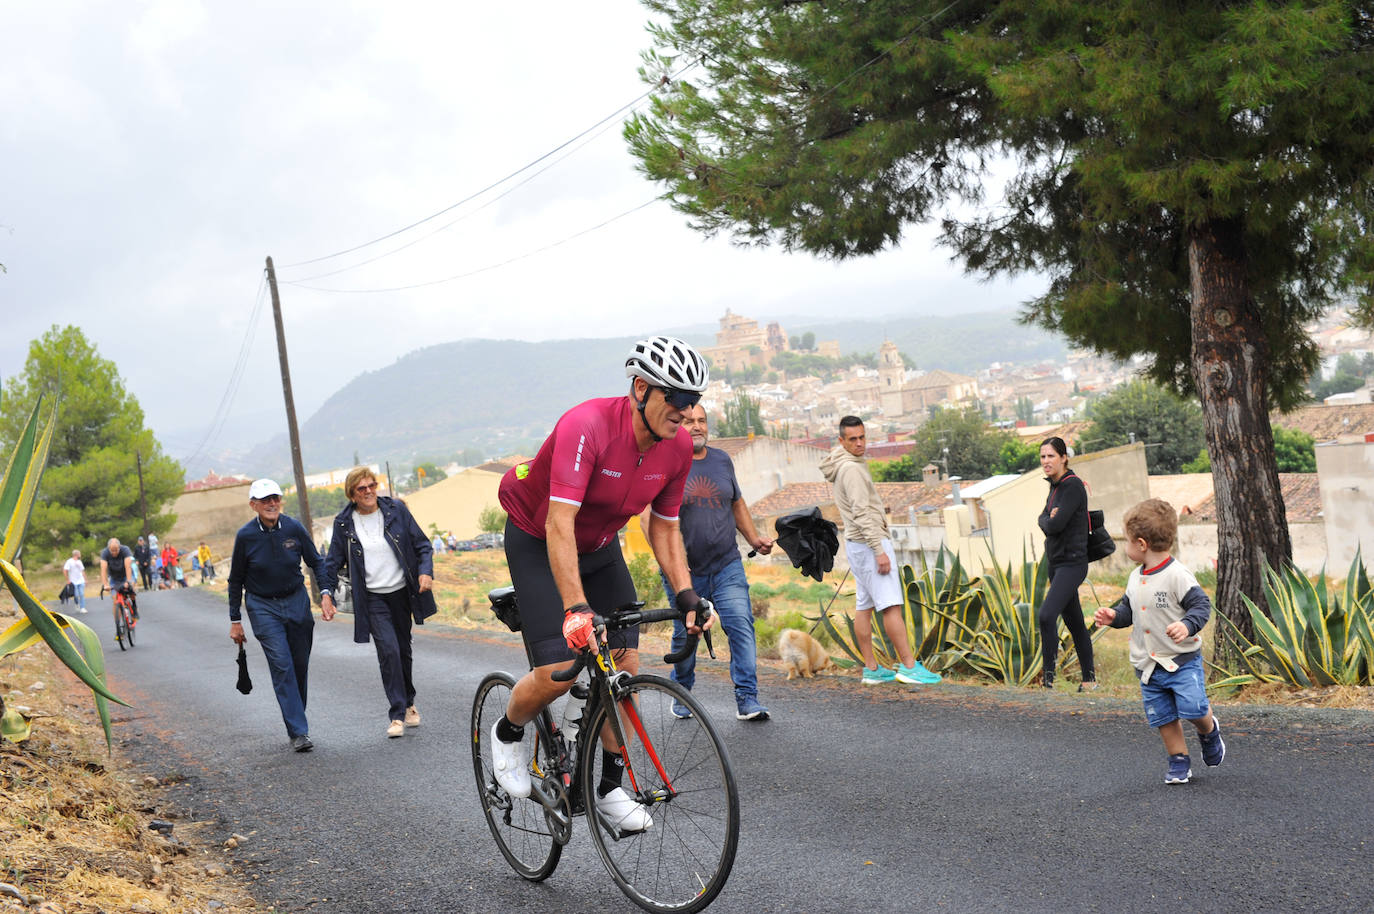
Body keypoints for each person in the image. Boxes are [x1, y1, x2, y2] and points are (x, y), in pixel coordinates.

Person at [489, 335, 716, 834]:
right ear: (641, 389)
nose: (686, 412)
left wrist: (686, 595)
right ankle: (507, 731)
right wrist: (575, 607)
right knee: (558, 672)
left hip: (600, 543)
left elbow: (664, 526)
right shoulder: (586, 427)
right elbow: (559, 525)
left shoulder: (676, 447)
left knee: (626, 669)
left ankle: (610, 787)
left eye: (693, 401)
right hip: (539, 535)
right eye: (676, 399)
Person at [1093, 498, 1226, 784]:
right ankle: (1179, 760)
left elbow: (1201, 606)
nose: (1125, 547)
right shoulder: (1133, 578)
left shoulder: (1177, 575)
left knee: (1194, 708)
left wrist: (1187, 625)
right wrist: (1113, 616)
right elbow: (1128, 611)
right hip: (1148, 665)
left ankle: (1208, 730)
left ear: (1141, 544)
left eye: (1127, 541)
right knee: (1163, 717)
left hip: (1181, 662)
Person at [655, 403, 773, 721]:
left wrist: (754, 539)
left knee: (740, 625)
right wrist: (676, 568)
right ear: (677, 425)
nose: (696, 426)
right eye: (689, 421)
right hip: (684, 572)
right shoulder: (665, 463)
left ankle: (747, 698)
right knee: (687, 633)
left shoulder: (722, 460)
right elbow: (657, 523)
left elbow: (737, 503)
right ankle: (682, 690)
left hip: (726, 564)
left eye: (702, 421)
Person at [820, 416, 941, 685]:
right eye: (853, 439)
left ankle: (872, 669)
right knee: (891, 606)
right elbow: (862, 512)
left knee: (865, 605)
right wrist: (879, 550)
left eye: (862, 437)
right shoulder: (851, 469)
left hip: (856, 544)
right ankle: (909, 667)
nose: (860, 443)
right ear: (841, 441)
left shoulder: (843, 465)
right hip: (868, 543)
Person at [321, 467, 437, 739]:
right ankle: (396, 714)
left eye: (372, 485)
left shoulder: (396, 510)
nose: (369, 491)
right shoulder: (344, 523)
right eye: (362, 488)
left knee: (403, 650)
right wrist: (326, 593)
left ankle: (409, 702)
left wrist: (425, 571)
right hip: (372, 597)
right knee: (389, 651)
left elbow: (423, 545)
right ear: (352, 494)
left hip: (401, 593)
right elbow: (332, 562)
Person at [228, 478, 333, 752]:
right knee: (282, 664)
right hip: (263, 606)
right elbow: (235, 580)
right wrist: (235, 620)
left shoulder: (294, 528)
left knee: (299, 665)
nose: (272, 504)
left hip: (296, 602)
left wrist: (325, 594)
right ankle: (300, 731)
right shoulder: (245, 536)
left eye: (275, 498)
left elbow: (316, 562)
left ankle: (295, 720)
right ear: (254, 505)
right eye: (265, 500)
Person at [1036, 436, 1097, 690]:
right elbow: (1044, 518)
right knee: (1075, 623)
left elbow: (1054, 524)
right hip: (1056, 563)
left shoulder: (1072, 487)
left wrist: (1047, 520)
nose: (1046, 461)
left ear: (1063, 458)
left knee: (1047, 616)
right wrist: (1046, 519)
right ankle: (1089, 681)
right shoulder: (1055, 487)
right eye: (1042, 457)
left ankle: (1047, 681)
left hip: (1072, 564)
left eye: (1051, 456)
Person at [98, 537, 137, 636]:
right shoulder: (105, 553)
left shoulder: (125, 550)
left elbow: (128, 566)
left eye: (116, 550)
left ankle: (134, 606)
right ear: (108, 549)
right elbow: (103, 570)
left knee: (131, 592)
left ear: (120, 548)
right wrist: (105, 584)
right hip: (114, 578)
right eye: (112, 550)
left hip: (125, 576)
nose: (114, 552)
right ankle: (118, 626)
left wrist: (128, 581)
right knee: (115, 600)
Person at [62, 549, 88, 614]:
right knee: (76, 595)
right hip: (73, 582)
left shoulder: (79, 562)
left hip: (81, 580)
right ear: (76, 554)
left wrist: (85, 579)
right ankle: (77, 604)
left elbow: (82, 571)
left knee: (81, 594)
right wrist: (67, 580)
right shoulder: (69, 561)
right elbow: (65, 570)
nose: (80, 555)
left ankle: (82, 608)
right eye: (79, 554)